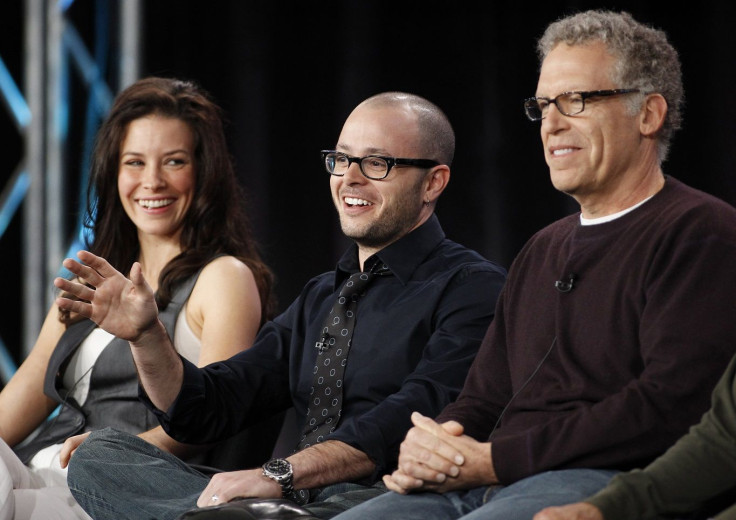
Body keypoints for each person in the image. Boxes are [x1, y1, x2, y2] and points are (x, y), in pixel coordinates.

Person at [330, 10, 736, 520]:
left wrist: (497, 460)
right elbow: (484, 396)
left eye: (576, 101)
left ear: (649, 114)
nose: (552, 124)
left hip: (603, 480)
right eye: (543, 106)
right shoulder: (543, 248)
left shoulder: (701, 233)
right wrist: (433, 446)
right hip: (481, 478)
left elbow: (668, 406)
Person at [57, 91, 507, 520]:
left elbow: (413, 415)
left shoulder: (472, 288)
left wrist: (281, 474)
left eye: (376, 163)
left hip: (384, 499)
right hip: (292, 502)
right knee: (101, 456)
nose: (349, 177)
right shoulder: (322, 297)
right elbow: (209, 407)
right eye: (341, 159)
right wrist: (148, 336)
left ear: (433, 181)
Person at [0, 76, 275, 520]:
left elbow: (212, 417)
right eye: (134, 162)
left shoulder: (224, 277)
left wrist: (113, 456)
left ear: (205, 172)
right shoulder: (91, 280)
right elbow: (10, 412)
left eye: (174, 161)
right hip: (38, 476)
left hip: (122, 492)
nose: (152, 181)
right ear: (114, 172)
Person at [534, 353, 736, 520]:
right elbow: (722, 441)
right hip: (626, 485)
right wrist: (600, 508)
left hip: (596, 467)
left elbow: (665, 399)